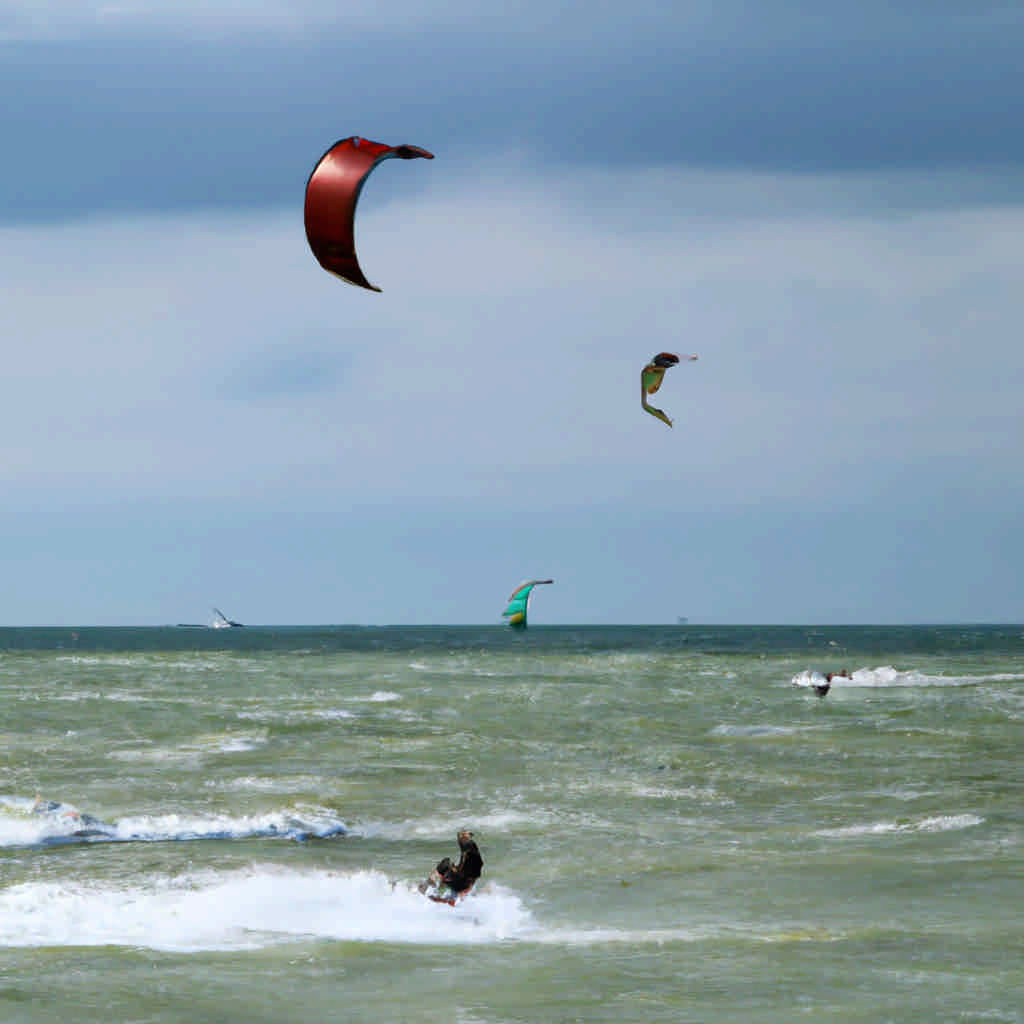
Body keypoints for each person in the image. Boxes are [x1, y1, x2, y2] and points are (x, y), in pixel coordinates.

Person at [419, 829, 483, 899]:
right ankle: (434, 890)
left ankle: (425, 888)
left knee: (445, 863)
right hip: (461, 885)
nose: (460, 841)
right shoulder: (472, 855)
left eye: (463, 838)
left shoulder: (468, 853)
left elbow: (468, 875)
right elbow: (472, 876)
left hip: (459, 884)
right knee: (447, 866)